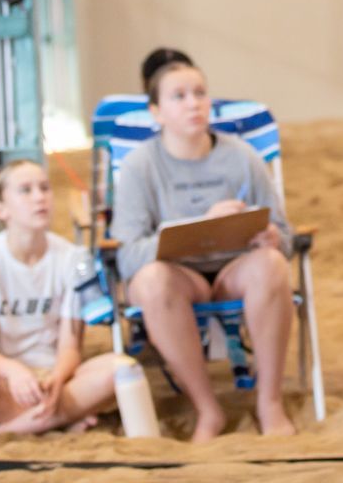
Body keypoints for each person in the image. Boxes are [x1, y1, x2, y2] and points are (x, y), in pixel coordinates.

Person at [111, 49, 298, 441]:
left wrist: (274, 238)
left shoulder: (242, 156)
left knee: (272, 265)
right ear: (156, 111)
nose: (193, 103)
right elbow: (126, 255)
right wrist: (196, 228)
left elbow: (286, 234)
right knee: (150, 281)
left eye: (199, 92)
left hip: (236, 270)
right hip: (180, 277)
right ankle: (207, 409)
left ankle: (270, 402)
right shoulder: (140, 167)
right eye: (178, 96)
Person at [0, 159, 124, 437]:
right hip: (2, 381)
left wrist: (56, 379)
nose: (39, 197)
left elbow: (70, 348)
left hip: (57, 381)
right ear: (0, 209)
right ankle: (57, 419)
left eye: (44, 188)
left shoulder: (72, 258)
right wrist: (14, 372)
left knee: (122, 369)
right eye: (25, 190)